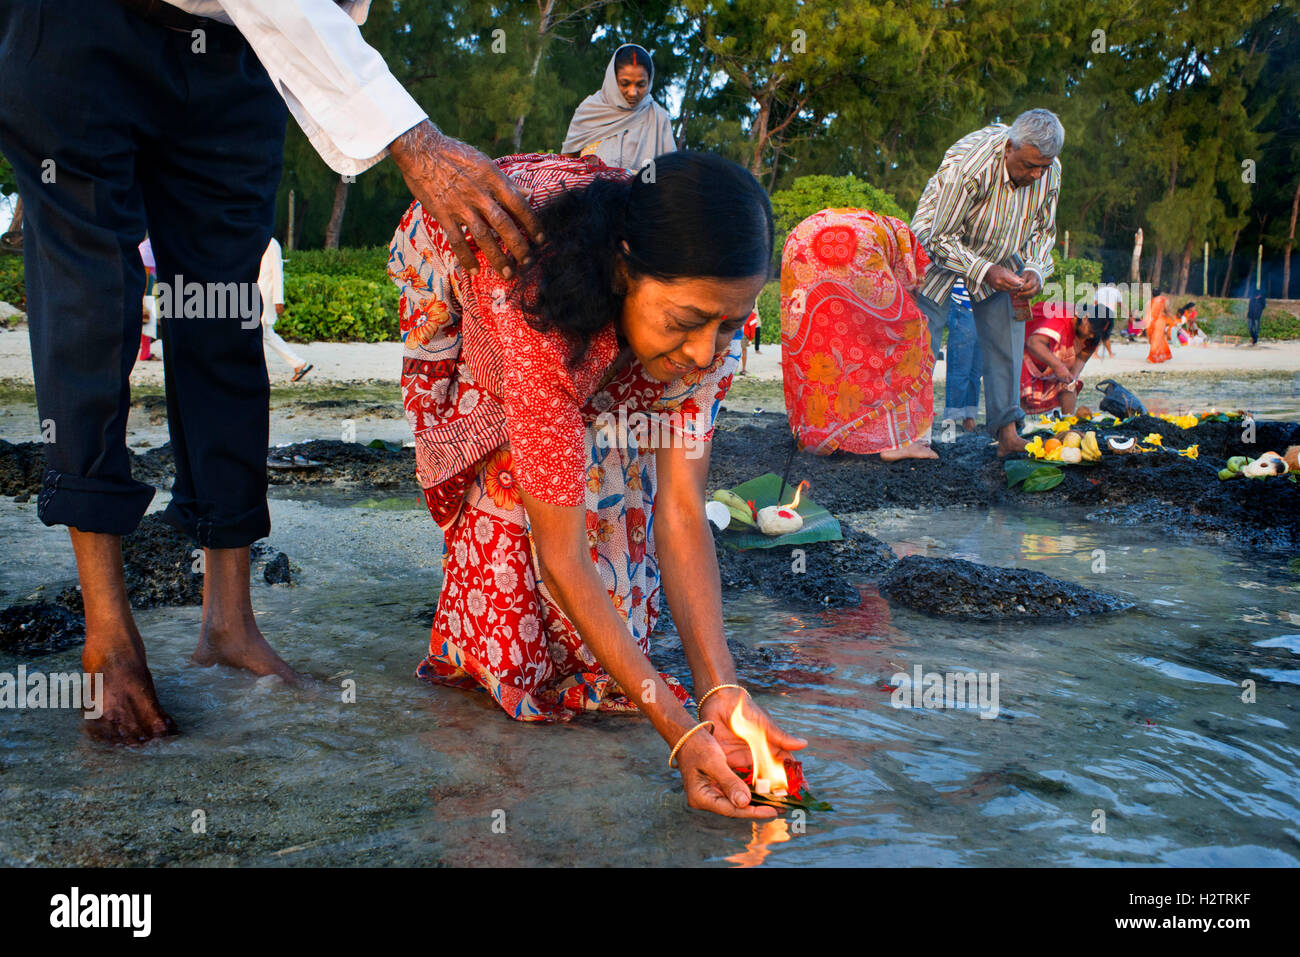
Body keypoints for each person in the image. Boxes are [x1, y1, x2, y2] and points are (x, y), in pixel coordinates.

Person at [0, 0, 542, 743]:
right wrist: (410, 137)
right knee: (92, 310)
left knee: (224, 314)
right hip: (77, 28)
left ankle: (229, 623)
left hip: (232, 48)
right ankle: (110, 633)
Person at [389, 150, 806, 819]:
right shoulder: (534, 298)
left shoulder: (711, 321)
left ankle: (596, 658)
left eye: (729, 324)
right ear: (623, 268)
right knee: (518, 474)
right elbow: (563, 554)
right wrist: (680, 733)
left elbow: (678, 511)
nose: (705, 352)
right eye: (687, 319)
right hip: (470, 251)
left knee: (611, 467)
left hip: (595, 305)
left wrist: (718, 690)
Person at [910, 109, 1064, 457]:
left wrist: (1036, 270)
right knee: (923, 335)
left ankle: (1007, 433)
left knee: (1006, 332)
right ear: (1009, 147)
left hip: (1001, 245)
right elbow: (939, 237)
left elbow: (1042, 231)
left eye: (1043, 166)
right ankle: (911, 436)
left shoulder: (1049, 170)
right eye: (1029, 166)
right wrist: (984, 270)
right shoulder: (970, 167)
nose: (1036, 174)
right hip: (941, 242)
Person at [780, 207, 936, 460]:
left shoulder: (870, 221)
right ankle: (896, 442)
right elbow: (907, 287)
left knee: (818, 344)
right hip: (854, 244)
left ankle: (818, 435)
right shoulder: (898, 238)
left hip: (799, 243)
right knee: (910, 332)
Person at [561, 44, 676, 172]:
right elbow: (565, 166)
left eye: (641, 84)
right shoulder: (589, 110)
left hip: (643, 192)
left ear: (649, 82)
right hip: (589, 191)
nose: (633, 92)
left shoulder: (658, 118)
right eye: (625, 83)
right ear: (612, 79)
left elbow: (671, 173)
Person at [1020, 300, 1112, 414]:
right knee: (1019, 393)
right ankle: (1016, 426)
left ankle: (1067, 423)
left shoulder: (1092, 338)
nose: (1092, 336)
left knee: (1069, 383)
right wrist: (1059, 367)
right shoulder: (1061, 318)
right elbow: (1034, 343)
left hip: (1048, 361)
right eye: (1091, 331)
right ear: (1085, 318)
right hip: (1024, 353)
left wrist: (1070, 378)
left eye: (1096, 334)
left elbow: (1077, 368)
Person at [257, 237, 312, 381]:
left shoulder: (272, 244)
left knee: (261, 331)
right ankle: (299, 364)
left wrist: (278, 300)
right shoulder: (256, 239)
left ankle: (298, 364)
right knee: (265, 333)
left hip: (266, 295)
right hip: (254, 293)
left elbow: (277, 272)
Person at [943, 277, 982, 432]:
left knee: (975, 371)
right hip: (962, 305)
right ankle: (949, 424)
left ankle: (969, 417)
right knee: (959, 370)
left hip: (982, 308)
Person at [138, 238, 160, 361]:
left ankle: (145, 351)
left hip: (146, 265)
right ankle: (145, 353)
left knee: (147, 307)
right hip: (147, 266)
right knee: (147, 307)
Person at [1144, 289, 1175, 363]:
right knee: (1157, 338)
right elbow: (1167, 310)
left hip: (1150, 322)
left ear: (1152, 294)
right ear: (1160, 293)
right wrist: (1173, 319)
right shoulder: (1164, 300)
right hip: (1159, 321)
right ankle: (1153, 356)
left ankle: (1158, 355)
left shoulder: (1149, 302)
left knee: (1156, 338)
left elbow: (1146, 314)